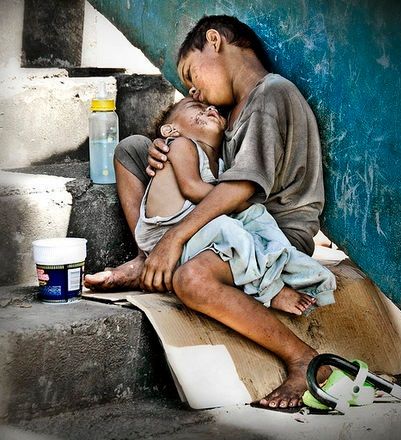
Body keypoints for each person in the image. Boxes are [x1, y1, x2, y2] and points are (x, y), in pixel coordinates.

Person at [85, 15, 332, 409]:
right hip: (226, 226)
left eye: (189, 73)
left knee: (192, 281)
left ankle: (304, 360)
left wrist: (175, 237)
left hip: (274, 234)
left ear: (214, 41)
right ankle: (148, 256)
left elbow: (240, 189)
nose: (193, 89)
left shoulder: (270, 95)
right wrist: (163, 155)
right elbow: (204, 180)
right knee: (130, 149)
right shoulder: (230, 110)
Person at [135, 96, 336, 313]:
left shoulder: (221, 164)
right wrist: (237, 204)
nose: (209, 109)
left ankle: (294, 267)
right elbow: (191, 188)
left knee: (258, 221)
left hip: (192, 237)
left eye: (209, 107)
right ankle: (272, 291)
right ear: (170, 131)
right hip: (162, 236)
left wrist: (246, 210)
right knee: (231, 229)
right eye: (195, 108)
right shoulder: (181, 145)